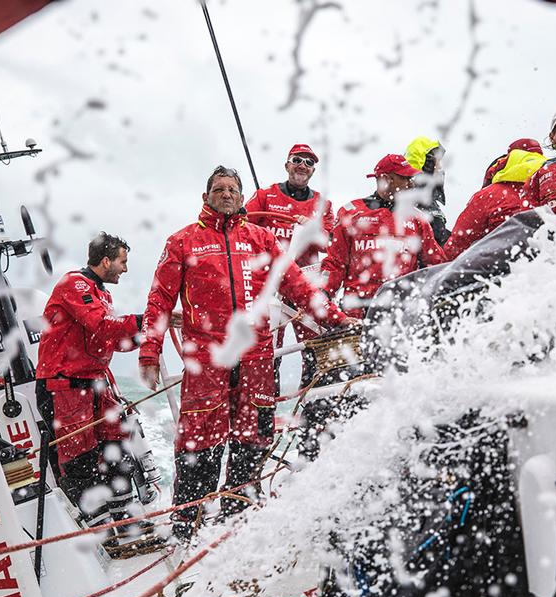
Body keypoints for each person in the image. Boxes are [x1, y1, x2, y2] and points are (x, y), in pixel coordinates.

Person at [139, 166, 355, 539]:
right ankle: (186, 526)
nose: (226, 194)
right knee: (199, 444)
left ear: (241, 197)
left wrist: (336, 319)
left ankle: (236, 519)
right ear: (206, 197)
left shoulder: (262, 240)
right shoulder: (182, 242)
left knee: (254, 437)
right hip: (207, 360)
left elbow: (299, 287)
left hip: (256, 357)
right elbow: (159, 300)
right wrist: (148, 353)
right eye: (219, 188)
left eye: (232, 189)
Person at [34, 233, 148, 539]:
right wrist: (146, 320)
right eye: (123, 262)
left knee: (118, 447)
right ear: (107, 261)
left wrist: (147, 336)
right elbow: (101, 325)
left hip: (94, 383)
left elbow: (111, 338)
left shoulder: (102, 293)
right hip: (65, 386)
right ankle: (100, 530)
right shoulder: (75, 284)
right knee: (80, 459)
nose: (125, 269)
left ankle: (125, 520)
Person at [244, 143, 335, 388]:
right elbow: (241, 226)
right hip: (269, 284)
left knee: (314, 347)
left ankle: (311, 402)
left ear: (313, 171)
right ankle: (266, 403)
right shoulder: (265, 196)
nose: (302, 166)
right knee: (270, 346)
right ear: (287, 165)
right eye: (297, 160)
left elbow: (331, 244)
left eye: (309, 162)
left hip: (304, 283)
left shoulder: (322, 205)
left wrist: (313, 230)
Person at [320, 154, 447, 317]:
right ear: (387, 179)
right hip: (357, 313)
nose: (410, 184)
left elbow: (435, 265)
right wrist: (322, 293)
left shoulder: (418, 219)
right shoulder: (351, 213)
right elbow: (335, 263)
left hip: (402, 312)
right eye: (405, 178)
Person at [442, 141, 548, 260]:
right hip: (546, 270)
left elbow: (458, 243)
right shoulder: (551, 189)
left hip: (496, 268)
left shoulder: (489, 195)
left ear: (509, 159)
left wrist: (441, 269)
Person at [404, 136, 449, 245]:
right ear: (428, 163)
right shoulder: (415, 199)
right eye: (438, 162)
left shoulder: (424, 197)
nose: (440, 168)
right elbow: (435, 238)